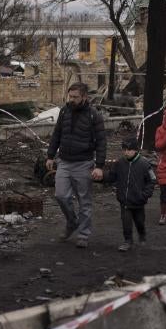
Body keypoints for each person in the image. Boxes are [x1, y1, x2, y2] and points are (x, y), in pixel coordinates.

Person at [46, 82, 106, 248]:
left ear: (84, 97)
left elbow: (101, 142)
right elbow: (57, 133)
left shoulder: (94, 115)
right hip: (63, 162)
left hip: (84, 163)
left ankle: (84, 234)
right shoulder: (64, 111)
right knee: (61, 195)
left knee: (84, 202)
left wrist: (99, 166)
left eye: (75, 97)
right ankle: (72, 222)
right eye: (70, 96)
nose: (71, 100)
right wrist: (50, 156)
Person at [106, 136, 156, 252]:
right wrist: (100, 176)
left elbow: (152, 180)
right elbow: (112, 176)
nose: (126, 152)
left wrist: (144, 195)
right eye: (124, 149)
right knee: (126, 222)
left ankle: (142, 234)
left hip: (138, 201)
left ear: (135, 150)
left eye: (129, 149)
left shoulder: (144, 164)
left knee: (139, 221)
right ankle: (128, 241)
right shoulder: (119, 163)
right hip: (125, 201)